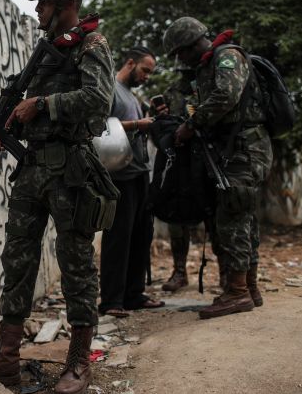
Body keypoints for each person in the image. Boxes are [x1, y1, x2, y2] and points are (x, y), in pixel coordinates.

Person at [0, 0, 117, 394]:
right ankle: (7, 358)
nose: (39, 10)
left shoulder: (92, 44)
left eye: (44, 3)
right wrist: (12, 124)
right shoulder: (48, 46)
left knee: (76, 266)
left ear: (66, 4)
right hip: (31, 171)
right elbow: (31, 109)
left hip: (71, 171)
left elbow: (98, 100)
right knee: (17, 261)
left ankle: (79, 361)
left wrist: (41, 104)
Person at [163, 16, 273, 319]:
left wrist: (190, 125)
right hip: (238, 149)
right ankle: (249, 287)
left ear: (191, 44)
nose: (180, 59)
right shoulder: (208, 65)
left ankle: (237, 292)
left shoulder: (227, 57)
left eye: (180, 52)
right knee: (243, 215)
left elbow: (226, 96)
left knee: (233, 217)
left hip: (245, 149)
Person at [98, 47, 165, 318]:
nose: (147, 76)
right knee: (119, 238)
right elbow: (102, 125)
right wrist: (138, 124)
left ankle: (134, 295)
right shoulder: (110, 90)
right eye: (145, 70)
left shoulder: (133, 96)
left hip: (139, 173)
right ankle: (112, 301)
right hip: (120, 176)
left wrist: (150, 118)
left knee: (141, 236)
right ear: (129, 63)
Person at [154, 77, 226, 293]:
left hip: (209, 162)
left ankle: (226, 273)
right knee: (177, 218)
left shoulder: (214, 87)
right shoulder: (171, 93)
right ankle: (179, 272)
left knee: (216, 217)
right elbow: (158, 129)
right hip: (182, 166)